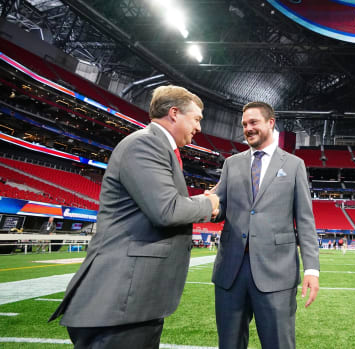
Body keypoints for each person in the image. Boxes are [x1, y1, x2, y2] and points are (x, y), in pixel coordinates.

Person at [49, 85, 219, 349]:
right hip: (121, 300)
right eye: (196, 119)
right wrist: (207, 203)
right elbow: (167, 210)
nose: (198, 127)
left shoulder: (159, 147)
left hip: (134, 300)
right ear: (174, 113)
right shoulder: (145, 144)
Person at [211, 101, 319, 349]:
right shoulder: (231, 163)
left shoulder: (293, 165)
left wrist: (311, 269)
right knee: (229, 344)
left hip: (276, 273)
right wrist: (211, 208)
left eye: (253, 122)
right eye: (244, 124)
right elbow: (221, 208)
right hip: (231, 271)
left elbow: (305, 220)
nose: (248, 128)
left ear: (271, 123)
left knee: (278, 344)